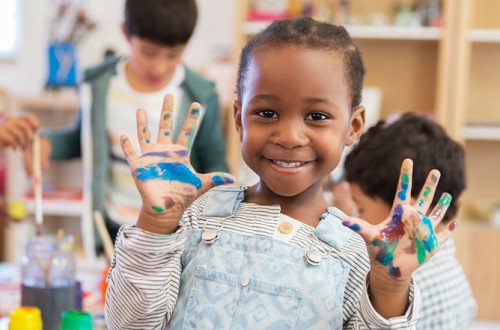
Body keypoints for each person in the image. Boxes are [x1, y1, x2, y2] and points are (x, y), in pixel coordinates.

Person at [105, 17, 458, 329]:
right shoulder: (195, 216)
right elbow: (128, 324)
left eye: (317, 117)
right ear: (239, 119)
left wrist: (389, 286)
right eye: (267, 113)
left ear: (353, 125)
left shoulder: (358, 252)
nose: (289, 137)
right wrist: (156, 226)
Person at [24, 0, 229, 242]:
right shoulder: (98, 85)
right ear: (125, 33)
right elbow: (83, 140)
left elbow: (214, 162)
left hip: (173, 229)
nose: (159, 66)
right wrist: (47, 143)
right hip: (113, 225)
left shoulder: (201, 96)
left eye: (173, 55)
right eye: (149, 53)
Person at [341, 113, 477, 329]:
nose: (357, 216)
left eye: (361, 207)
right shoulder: (451, 269)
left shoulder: (401, 289)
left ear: (407, 215)